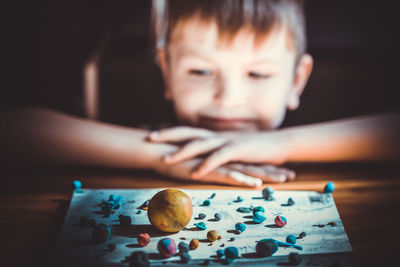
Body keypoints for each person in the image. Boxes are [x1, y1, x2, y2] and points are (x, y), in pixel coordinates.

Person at [0, 0, 398, 187]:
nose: (227, 98)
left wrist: (283, 144)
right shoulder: (150, 145)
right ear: (167, 73)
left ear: (297, 80)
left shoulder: (300, 150)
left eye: (258, 73)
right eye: (201, 70)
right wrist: (159, 155)